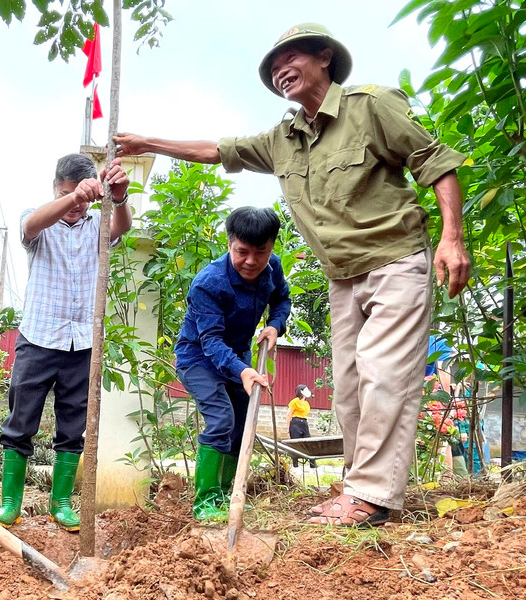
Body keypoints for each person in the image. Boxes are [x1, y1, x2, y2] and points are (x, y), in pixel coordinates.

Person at [114, 23, 471, 527]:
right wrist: (147, 142)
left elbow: (435, 161)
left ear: (325, 57)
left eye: (291, 58)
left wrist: (451, 237)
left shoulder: (370, 107)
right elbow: (216, 150)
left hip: (394, 261)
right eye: (273, 66)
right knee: (347, 389)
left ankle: (368, 495)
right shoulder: (281, 141)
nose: (281, 70)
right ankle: (362, 495)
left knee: (382, 375)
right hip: (342, 278)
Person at [0, 153, 132, 531]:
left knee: (72, 426)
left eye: (83, 198)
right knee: (20, 422)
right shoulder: (39, 221)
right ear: (56, 189)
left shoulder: (97, 225)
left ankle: (62, 504)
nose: (76, 205)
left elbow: (122, 227)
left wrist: (118, 198)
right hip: (38, 339)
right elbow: (30, 226)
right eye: (67, 194)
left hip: (82, 343)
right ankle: (10, 505)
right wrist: (72, 197)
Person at [175, 207, 290, 521]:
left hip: (238, 359)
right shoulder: (208, 285)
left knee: (241, 426)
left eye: (260, 252)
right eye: (242, 252)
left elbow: (282, 299)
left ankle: (228, 495)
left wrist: (275, 326)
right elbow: (210, 341)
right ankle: (205, 503)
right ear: (229, 244)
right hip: (198, 359)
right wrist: (242, 370)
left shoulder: (272, 268)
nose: (251, 261)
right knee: (222, 419)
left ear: (271, 247)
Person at [286, 384, 316, 468]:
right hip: (296, 422)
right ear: (301, 391)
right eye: (306, 390)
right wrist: (288, 427)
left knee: (309, 443)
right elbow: (288, 414)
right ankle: (295, 464)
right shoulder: (294, 401)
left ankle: (312, 464)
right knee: (295, 444)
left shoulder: (306, 403)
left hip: (304, 423)